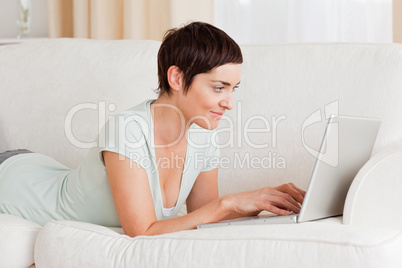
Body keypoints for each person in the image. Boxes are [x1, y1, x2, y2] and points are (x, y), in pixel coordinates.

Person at [0, 22, 305, 237]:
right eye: (218, 88)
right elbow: (142, 230)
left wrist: (262, 201)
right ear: (176, 77)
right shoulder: (127, 130)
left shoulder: (203, 135)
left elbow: (204, 213)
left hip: (41, 168)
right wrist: (228, 203)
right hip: (13, 183)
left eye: (233, 89)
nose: (229, 103)